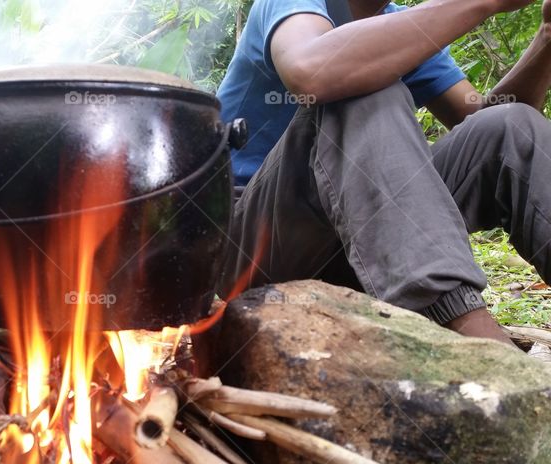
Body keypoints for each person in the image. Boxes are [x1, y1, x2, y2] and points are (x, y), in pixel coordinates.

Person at [218, 0, 551, 345]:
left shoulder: (405, 26)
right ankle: (471, 333)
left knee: (512, 123)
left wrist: (546, 36)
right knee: (354, 78)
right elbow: (313, 71)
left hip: (364, 252)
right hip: (252, 253)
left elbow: (484, 125)